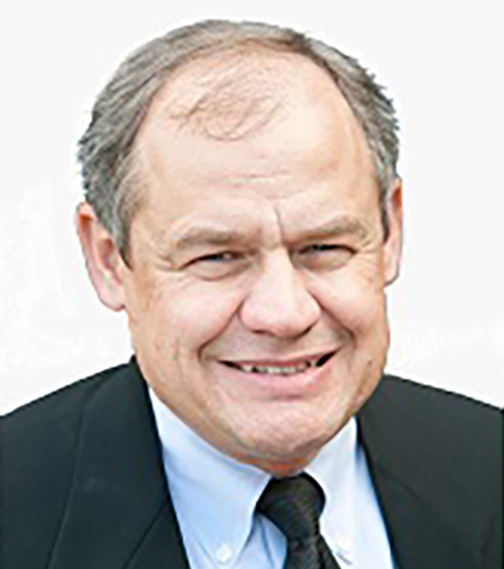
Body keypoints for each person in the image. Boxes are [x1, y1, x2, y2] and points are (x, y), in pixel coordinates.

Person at [1, 19, 501, 569]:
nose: (284, 314)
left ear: (390, 233)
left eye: (323, 247)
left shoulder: (489, 465)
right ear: (107, 259)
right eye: (217, 257)